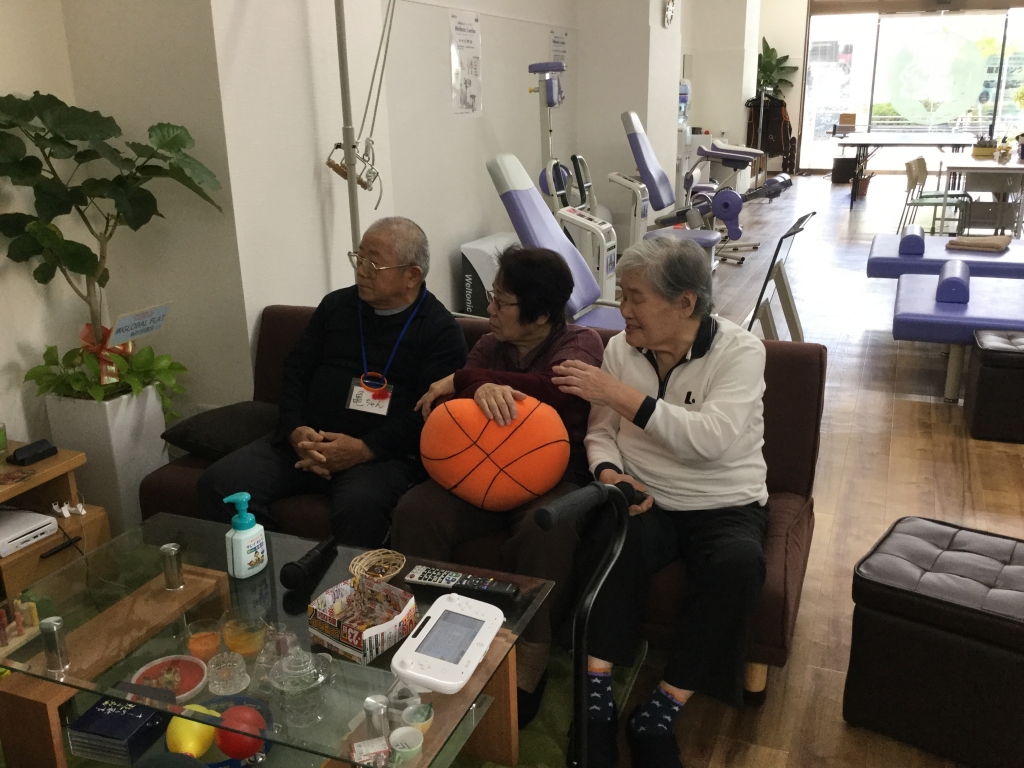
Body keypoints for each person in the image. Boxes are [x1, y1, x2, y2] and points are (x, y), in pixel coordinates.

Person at [551, 237, 769, 768]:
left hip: (725, 501)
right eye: (621, 294)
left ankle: (660, 712)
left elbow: (711, 440)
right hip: (644, 493)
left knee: (738, 566)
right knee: (611, 543)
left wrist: (617, 393)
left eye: (635, 297)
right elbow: (601, 433)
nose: (622, 309)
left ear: (685, 303)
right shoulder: (620, 350)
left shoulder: (741, 352)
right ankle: (597, 702)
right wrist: (610, 473)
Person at [390, 245, 604, 725]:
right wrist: (475, 384)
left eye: (501, 301)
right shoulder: (489, 345)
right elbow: (451, 405)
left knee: (547, 528)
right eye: (492, 296)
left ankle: (534, 649)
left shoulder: (581, 343)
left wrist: (469, 379)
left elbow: (555, 393)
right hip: (476, 477)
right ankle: (422, 626)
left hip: (553, 480)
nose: (489, 309)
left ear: (542, 314)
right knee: (416, 510)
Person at [197, 217, 468, 547]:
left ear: (411, 275)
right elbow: (295, 370)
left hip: (380, 457)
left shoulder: (441, 331)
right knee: (220, 484)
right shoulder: (337, 306)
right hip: (306, 442)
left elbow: (430, 414)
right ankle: (278, 569)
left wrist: (364, 449)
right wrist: (296, 429)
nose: (361, 271)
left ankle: (338, 581)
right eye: (358, 258)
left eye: (373, 264)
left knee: (360, 508)